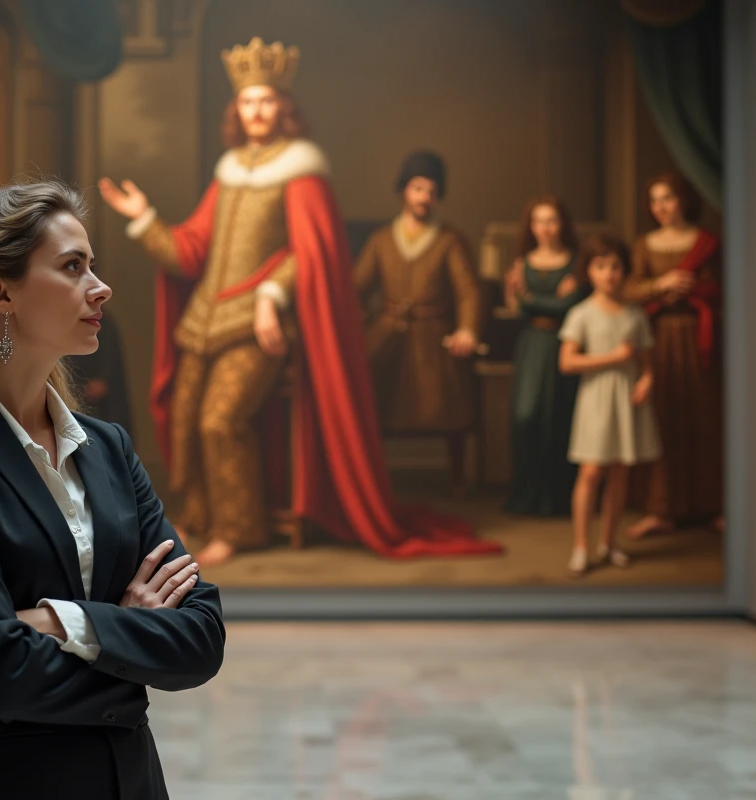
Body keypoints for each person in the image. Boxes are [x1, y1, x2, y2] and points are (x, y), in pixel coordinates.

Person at [0, 182, 225, 798]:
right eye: (73, 267)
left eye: (93, 265)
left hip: (128, 783)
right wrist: (127, 632)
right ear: (0, 293)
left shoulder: (108, 448)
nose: (100, 286)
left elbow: (201, 637)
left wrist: (61, 623)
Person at [100, 37, 500, 566]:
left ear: (284, 107)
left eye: (266, 101)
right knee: (185, 414)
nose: (256, 111)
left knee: (221, 421)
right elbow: (191, 251)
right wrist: (144, 218)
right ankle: (201, 518)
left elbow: (311, 254)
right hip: (204, 321)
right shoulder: (230, 169)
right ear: (236, 110)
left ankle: (240, 530)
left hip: (262, 325)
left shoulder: (302, 169)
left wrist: (270, 294)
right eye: (247, 102)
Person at [353, 151, 482, 442]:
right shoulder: (381, 240)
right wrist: (358, 323)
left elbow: (468, 291)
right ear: (403, 191)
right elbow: (356, 288)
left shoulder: (450, 239)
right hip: (387, 332)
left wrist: (467, 329)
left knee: (448, 409)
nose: (424, 197)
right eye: (418, 189)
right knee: (370, 403)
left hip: (433, 335)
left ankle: (457, 480)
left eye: (431, 191)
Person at [623, 173, 723, 538]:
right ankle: (660, 509)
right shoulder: (645, 244)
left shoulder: (706, 242)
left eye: (667, 198)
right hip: (660, 338)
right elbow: (630, 289)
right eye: (654, 200)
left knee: (706, 417)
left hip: (701, 338)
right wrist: (660, 285)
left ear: (683, 199)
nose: (660, 207)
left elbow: (724, 288)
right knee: (663, 419)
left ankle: (714, 505)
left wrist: (696, 288)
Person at [558, 235, 660, 577]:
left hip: (627, 399)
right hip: (596, 399)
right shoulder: (582, 313)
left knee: (620, 472)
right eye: (601, 266)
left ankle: (609, 543)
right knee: (590, 472)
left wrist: (647, 379)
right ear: (589, 271)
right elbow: (568, 362)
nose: (609, 273)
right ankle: (581, 547)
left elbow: (646, 360)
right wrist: (612, 358)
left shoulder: (635, 314)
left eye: (616, 266)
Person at [503, 196, 585, 517]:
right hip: (532, 344)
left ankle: (557, 500)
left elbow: (568, 307)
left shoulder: (576, 263)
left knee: (559, 417)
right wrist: (529, 300)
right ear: (530, 226)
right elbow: (517, 309)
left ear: (562, 223)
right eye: (539, 221)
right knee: (525, 417)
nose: (545, 228)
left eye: (551, 220)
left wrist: (528, 298)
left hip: (564, 343)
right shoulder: (521, 263)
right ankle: (527, 497)